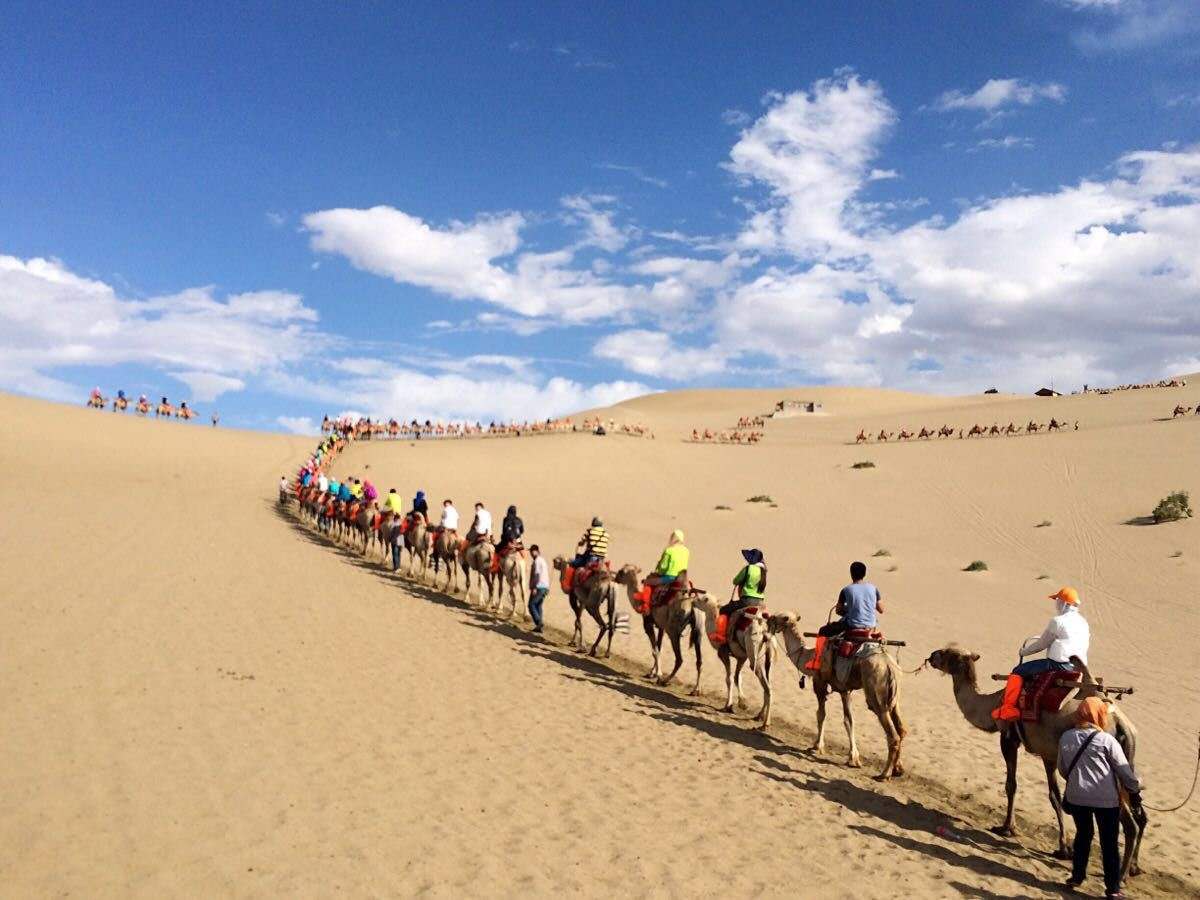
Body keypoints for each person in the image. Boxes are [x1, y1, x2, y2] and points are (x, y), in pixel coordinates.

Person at [1058, 697, 1143, 897]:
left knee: (1083, 835)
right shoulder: (1107, 740)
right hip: (1106, 801)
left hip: (1077, 798)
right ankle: (1112, 889)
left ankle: (1077, 876)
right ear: (1100, 716)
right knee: (1109, 843)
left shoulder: (1065, 738)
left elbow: (1062, 769)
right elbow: (1125, 772)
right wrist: (1134, 790)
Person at [994, 587, 1090, 723]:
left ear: (1063, 603)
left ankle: (1008, 709)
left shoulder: (1058, 621)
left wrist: (1023, 651)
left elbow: (1041, 644)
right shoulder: (1083, 622)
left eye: (1057, 600)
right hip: (1079, 667)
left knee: (1018, 671)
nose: (1056, 604)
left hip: (1058, 665)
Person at [712, 549, 767, 645]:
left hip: (746, 601)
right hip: (760, 603)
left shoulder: (748, 568)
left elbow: (735, 581)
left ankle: (721, 637)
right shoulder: (763, 571)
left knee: (724, 610)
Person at [818, 561, 882, 638]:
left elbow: (838, 610)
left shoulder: (846, 590)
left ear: (851, 574)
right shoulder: (874, 589)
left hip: (852, 625)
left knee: (823, 630)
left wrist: (848, 610)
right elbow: (881, 609)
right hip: (871, 626)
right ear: (864, 574)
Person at [643, 530, 690, 597]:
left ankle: (646, 602)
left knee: (647, 582)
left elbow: (663, 567)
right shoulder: (686, 551)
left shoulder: (669, 550)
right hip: (683, 579)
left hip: (670, 578)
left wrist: (660, 572)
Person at [528, 544, 549, 633]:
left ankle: (539, 622)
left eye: (532, 551)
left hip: (539, 586)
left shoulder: (537, 561)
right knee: (538, 605)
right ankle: (538, 627)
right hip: (545, 586)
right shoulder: (542, 560)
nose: (531, 553)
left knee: (531, 605)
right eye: (530, 552)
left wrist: (534, 587)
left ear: (536, 551)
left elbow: (537, 575)